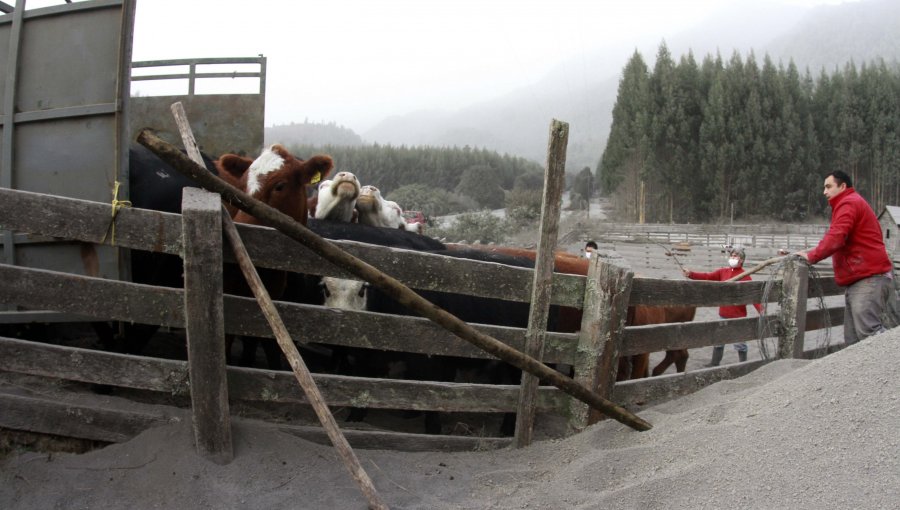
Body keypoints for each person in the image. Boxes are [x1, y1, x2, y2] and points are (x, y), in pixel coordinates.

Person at [796, 170, 893, 345]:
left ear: (842, 186)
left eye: (828, 186)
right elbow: (839, 237)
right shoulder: (853, 203)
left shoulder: (848, 203)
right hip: (863, 278)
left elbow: (836, 236)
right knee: (854, 342)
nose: (824, 192)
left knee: (870, 335)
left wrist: (812, 256)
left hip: (868, 278)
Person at [683, 247, 762, 366]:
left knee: (740, 343)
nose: (733, 258)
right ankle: (715, 363)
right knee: (719, 341)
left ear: (741, 260)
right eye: (732, 255)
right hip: (723, 314)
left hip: (738, 317)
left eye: (736, 256)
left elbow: (753, 297)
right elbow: (707, 277)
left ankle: (743, 364)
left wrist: (761, 310)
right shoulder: (722, 272)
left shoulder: (745, 276)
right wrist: (691, 274)